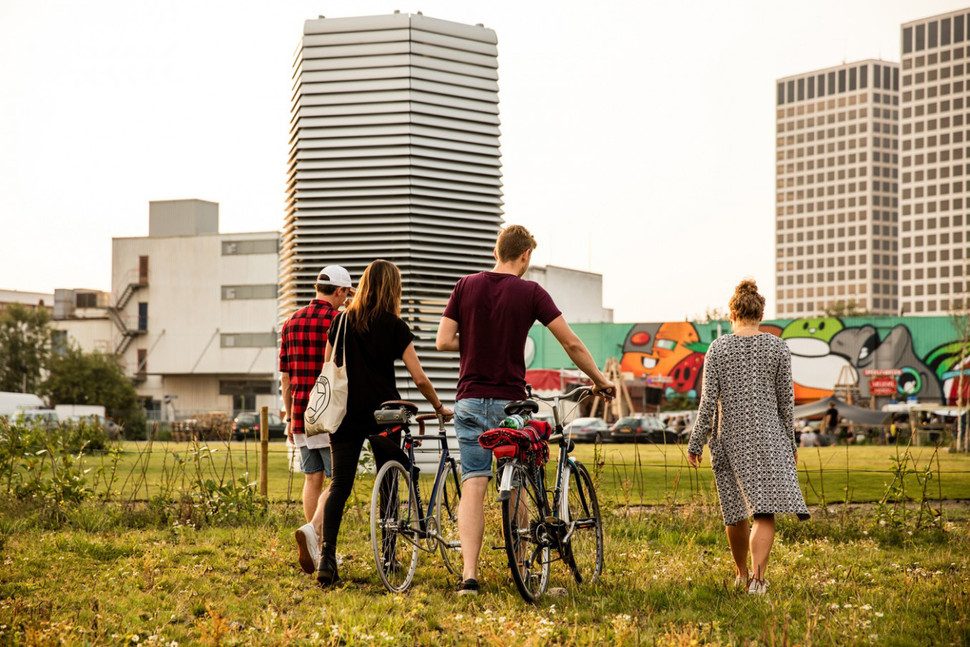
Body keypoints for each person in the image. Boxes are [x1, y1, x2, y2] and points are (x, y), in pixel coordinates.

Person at [435, 224, 615, 595]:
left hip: (468, 400)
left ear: (495, 251)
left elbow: (442, 341)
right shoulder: (531, 291)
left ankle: (469, 576)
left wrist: (477, 342)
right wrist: (599, 379)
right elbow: (571, 342)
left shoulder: (464, 285)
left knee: (473, 483)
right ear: (526, 256)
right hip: (510, 404)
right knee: (517, 477)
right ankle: (524, 568)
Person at [316, 259, 452, 586]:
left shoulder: (342, 321)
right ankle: (389, 555)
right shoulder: (394, 326)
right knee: (390, 478)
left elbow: (328, 367)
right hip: (384, 415)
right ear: (394, 289)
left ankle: (327, 558)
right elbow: (418, 377)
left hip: (344, 413)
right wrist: (438, 406)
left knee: (340, 486)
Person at [687, 279, 809, 596]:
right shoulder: (778, 347)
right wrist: (791, 443)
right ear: (760, 313)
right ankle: (757, 580)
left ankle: (741, 574)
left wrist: (696, 442)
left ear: (732, 314)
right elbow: (787, 403)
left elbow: (708, 402)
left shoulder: (718, 348)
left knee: (735, 512)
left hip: (728, 440)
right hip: (770, 439)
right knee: (764, 511)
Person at [279, 265, 353, 575]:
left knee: (312, 478)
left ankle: (314, 540)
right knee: (338, 481)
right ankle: (314, 533)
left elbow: (285, 377)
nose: (347, 298)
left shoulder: (290, 322)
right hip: (331, 415)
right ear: (338, 292)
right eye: (346, 293)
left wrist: (287, 414)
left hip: (300, 413)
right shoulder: (340, 322)